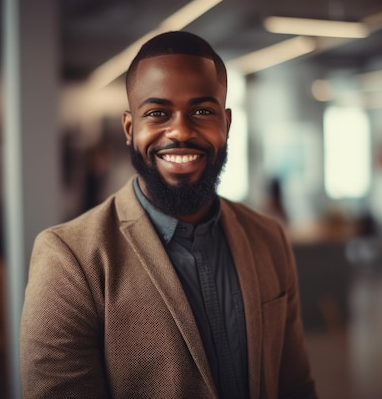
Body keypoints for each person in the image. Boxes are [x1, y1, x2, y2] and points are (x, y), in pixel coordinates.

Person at [20, 31, 317, 399]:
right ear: (130, 128)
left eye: (202, 111)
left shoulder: (268, 238)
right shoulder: (70, 260)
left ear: (225, 125)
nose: (180, 130)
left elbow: (295, 387)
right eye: (158, 113)